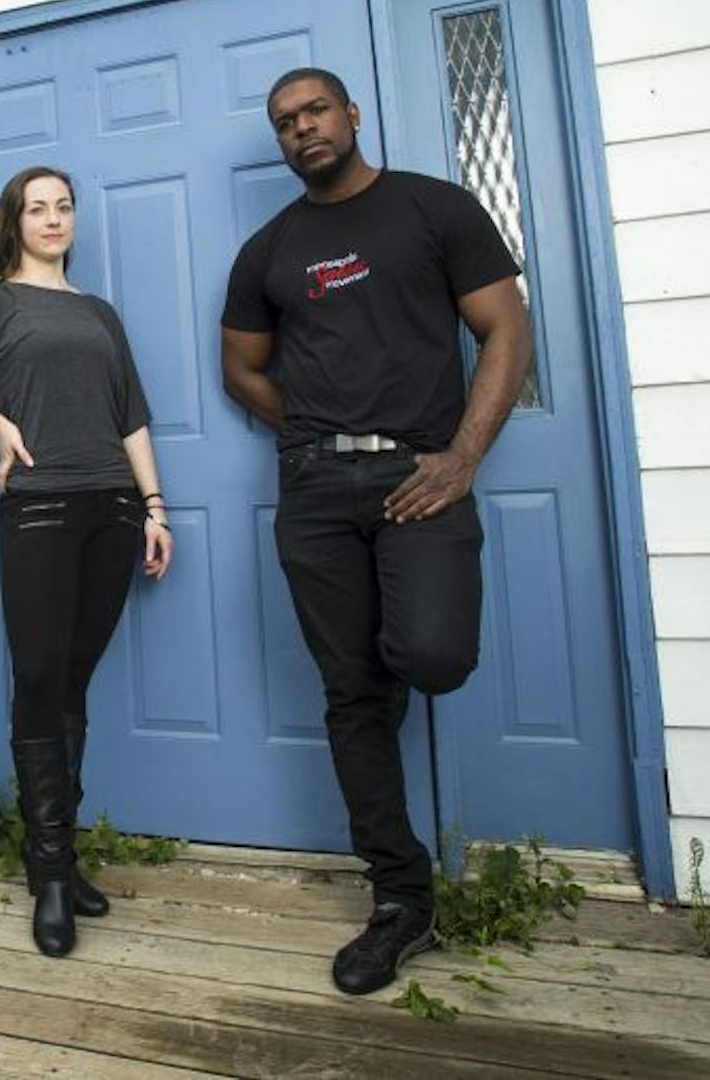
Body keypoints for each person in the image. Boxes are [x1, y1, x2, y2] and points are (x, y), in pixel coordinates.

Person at [220, 66, 532, 996]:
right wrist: (316, 434)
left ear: (352, 115)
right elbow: (241, 369)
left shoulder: (435, 210)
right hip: (316, 491)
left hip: (421, 479)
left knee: (431, 655)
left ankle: (382, 671)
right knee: (350, 695)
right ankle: (401, 897)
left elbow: (507, 330)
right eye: (285, 121)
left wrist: (462, 458)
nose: (302, 128)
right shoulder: (269, 250)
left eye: (316, 110)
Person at [0, 164, 174, 959]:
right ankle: (51, 873)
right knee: (40, 675)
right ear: (15, 222)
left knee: (73, 680)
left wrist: (155, 507)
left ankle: (56, 855)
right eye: (36, 208)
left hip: (113, 509)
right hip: (40, 507)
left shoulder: (98, 313)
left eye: (63, 207)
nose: (52, 219)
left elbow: (131, 417)